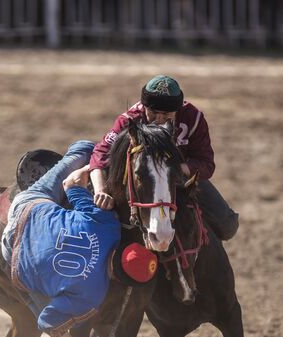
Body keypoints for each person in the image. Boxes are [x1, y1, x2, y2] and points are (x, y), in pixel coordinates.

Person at [0, 140, 157, 337]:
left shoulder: (107, 224)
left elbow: (71, 182)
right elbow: (49, 323)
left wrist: (97, 180)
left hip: (25, 208)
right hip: (12, 260)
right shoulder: (93, 296)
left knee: (85, 147)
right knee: (38, 302)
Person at [90, 75, 239, 241]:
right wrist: (100, 190)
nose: (159, 120)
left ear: (178, 110)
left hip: (179, 177)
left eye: (167, 114)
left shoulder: (193, 118)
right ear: (143, 106)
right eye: (153, 113)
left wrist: (174, 170)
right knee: (99, 220)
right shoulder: (130, 119)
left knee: (227, 226)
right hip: (141, 178)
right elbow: (100, 153)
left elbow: (206, 163)